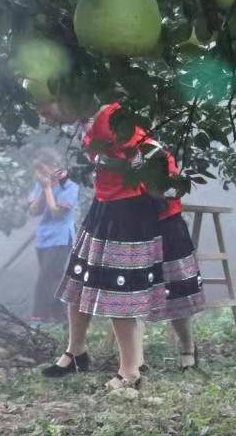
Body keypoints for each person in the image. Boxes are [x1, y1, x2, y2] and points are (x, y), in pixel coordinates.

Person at [50, 103, 206, 388]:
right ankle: (93, 355)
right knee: (95, 280)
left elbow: (156, 155)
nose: (44, 115)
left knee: (168, 286)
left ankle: (185, 351)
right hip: (115, 207)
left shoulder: (112, 117)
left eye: (45, 106)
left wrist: (151, 187)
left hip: (153, 212)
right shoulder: (86, 123)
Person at [27, 152, 80, 327]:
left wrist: (49, 189)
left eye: (43, 170)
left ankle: (39, 318)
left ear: (55, 166)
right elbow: (34, 211)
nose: (40, 175)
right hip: (43, 238)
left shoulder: (70, 186)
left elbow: (57, 213)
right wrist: (44, 189)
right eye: (38, 171)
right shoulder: (39, 185)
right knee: (53, 277)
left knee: (45, 277)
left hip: (61, 236)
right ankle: (61, 317)